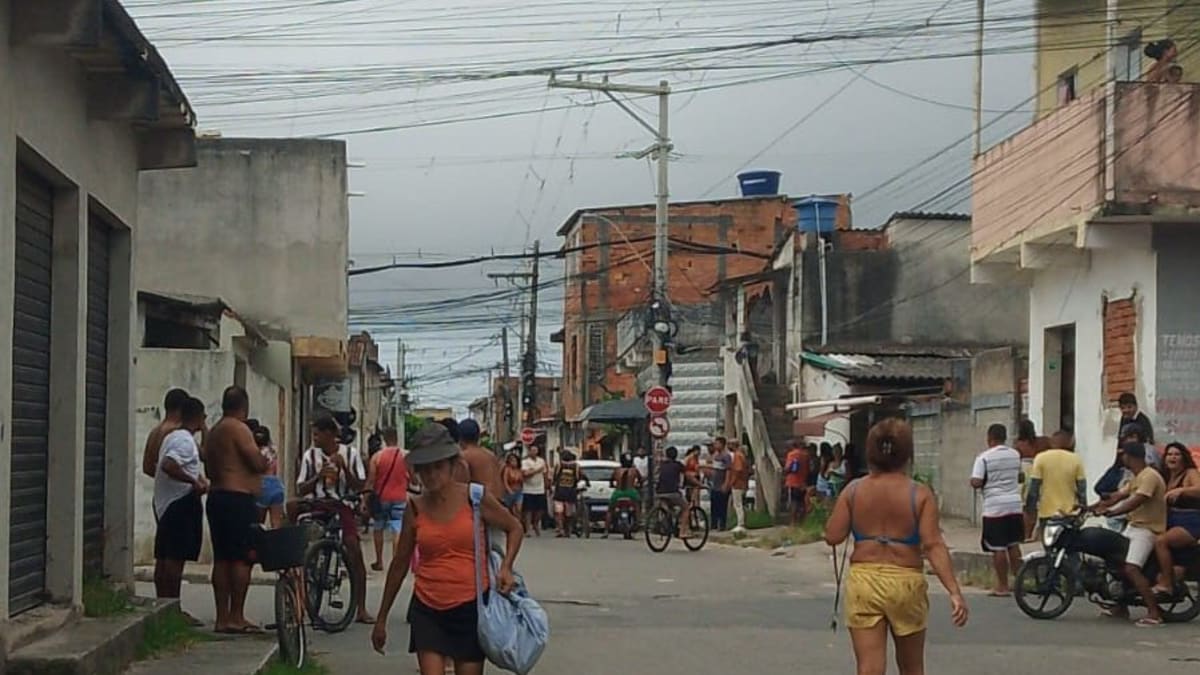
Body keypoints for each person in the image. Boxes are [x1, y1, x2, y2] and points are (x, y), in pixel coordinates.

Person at [371, 424, 524, 675]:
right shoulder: (414, 508)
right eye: (424, 469)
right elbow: (400, 564)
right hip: (427, 608)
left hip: (471, 608)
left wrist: (506, 567)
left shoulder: (475, 498)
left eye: (438, 467)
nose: (431, 475)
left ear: (453, 466)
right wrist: (382, 617)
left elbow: (514, 527)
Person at [824, 418, 968, 675]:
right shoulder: (920, 494)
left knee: (869, 669)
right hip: (906, 582)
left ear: (870, 453)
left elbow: (833, 536)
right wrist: (954, 592)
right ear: (907, 455)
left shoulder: (853, 491)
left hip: (864, 582)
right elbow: (933, 544)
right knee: (912, 667)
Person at [201, 385, 269, 634]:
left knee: (222, 558)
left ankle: (222, 617)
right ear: (244, 406)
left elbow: (208, 469)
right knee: (242, 558)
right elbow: (257, 462)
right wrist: (264, 458)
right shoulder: (239, 429)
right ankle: (236, 615)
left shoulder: (214, 432)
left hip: (217, 496)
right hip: (237, 499)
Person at [295, 415, 375, 624]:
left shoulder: (350, 453)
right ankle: (300, 603)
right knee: (301, 549)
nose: (314, 438)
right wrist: (318, 476)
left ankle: (361, 608)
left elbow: (359, 485)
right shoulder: (310, 456)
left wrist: (344, 468)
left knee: (353, 548)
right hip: (317, 504)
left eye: (317, 435)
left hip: (342, 505)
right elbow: (301, 488)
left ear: (330, 434)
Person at [1094, 442, 1167, 626]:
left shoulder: (1149, 476)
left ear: (1130, 456)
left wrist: (1113, 512)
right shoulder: (1136, 477)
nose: (1121, 458)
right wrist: (1090, 507)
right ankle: (1121, 606)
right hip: (1133, 526)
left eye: (1123, 455)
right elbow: (1117, 497)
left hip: (1147, 529)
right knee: (1116, 562)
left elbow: (1137, 500)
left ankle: (1154, 613)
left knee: (1131, 568)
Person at [153, 396, 208, 626]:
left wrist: (198, 478)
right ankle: (172, 608)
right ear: (199, 417)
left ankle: (164, 607)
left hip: (169, 504)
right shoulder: (184, 441)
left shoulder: (174, 437)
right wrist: (193, 482)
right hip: (180, 504)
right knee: (174, 560)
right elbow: (169, 465)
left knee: (165, 558)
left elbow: (192, 462)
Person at [970, 424, 1024, 596]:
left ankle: (1002, 586)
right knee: (1013, 545)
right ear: (1004, 437)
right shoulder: (1015, 455)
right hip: (1014, 505)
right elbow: (1020, 476)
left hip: (994, 507)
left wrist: (978, 482)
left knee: (998, 547)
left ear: (989, 438)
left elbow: (976, 481)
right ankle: (1020, 584)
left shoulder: (983, 458)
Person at [1152, 442, 1200, 595]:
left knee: (1161, 541)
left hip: (1190, 520)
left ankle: (1166, 584)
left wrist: (1182, 490)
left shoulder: (1190, 473)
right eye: (1169, 454)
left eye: (1176, 454)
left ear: (1183, 457)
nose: (1172, 457)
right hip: (1169, 520)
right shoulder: (1164, 477)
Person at [1025, 430, 1087, 540]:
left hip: (1047, 513)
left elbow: (1034, 487)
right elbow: (1082, 487)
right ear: (1069, 443)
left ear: (1052, 442)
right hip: (1069, 513)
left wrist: (1030, 509)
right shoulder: (1075, 459)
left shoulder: (1041, 458)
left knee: (1048, 544)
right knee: (1070, 543)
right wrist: (1083, 508)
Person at [366, 427, 409, 572]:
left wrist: (365, 499)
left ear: (384, 439)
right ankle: (395, 561)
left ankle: (379, 561)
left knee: (378, 527)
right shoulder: (406, 456)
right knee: (397, 527)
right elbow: (413, 479)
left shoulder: (377, 457)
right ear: (397, 438)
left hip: (381, 498)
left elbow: (371, 480)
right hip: (400, 497)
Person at [142, 388, 191, 478]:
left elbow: (147, 468)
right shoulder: (177, 431)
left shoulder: (154, 432)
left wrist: (161, 478)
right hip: (176, 485)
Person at [455, 419, 503, 498]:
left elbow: (459, 483)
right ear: (478, 436)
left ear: (460, 438)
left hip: (481, 501)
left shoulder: (464, 456)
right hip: (498, 499)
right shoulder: (491, 455)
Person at [655, 446, 696, 537]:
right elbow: (688, 477)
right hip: (673, 492)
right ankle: (682, 532)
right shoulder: (678, 465)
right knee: (686, 508)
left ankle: (667, 524)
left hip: (660, 492)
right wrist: (700, 484)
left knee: (669, 507)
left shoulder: (662, 465)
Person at [604, 453, 643, 538]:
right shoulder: (634, 470)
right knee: (637, 506)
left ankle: (606, 530)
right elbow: (641, 480)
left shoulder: (617, 470)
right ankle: (638, 522)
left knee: (610, 510)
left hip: (618, 493)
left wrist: (613, 485)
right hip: (631, 493)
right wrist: (639, 485)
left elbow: (611, 481)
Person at [551, 450, 589, 537]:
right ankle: (568, 530)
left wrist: (552, 486)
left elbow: (554, 478)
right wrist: (587, 482)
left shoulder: (559, 465)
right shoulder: (576, 466)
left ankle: (560, 529)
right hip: (571, 492)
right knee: (569, 513)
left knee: (559, 512)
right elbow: (582, 476)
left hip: (559, 492)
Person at [254, 426, 284, 529]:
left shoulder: (256, 452)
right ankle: (277, 539)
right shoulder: (273, 450)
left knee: (258, 525)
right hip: (276, 485)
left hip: (261, 485)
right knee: (276, 525)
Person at [520, 444, 550, 536]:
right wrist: (537, 470)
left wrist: (547, 484)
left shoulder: (541, 461)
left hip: (540, 488)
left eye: (535, 450)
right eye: (532, 450)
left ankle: (536, 523)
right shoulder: (525, 462)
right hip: (528, 489)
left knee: (540, 510)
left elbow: (545, 473)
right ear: (529, 451)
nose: (534, 452)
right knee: (528, 510)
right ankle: (528, 529)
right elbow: (525, 474)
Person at [724, 440, 751, 534]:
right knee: (740, 504)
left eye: (729, 444)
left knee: (738, 504)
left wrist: (732, 482)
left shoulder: (737, 455)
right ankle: (742, 522)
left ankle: (741, 524)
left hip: (738, 483)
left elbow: (738, 469)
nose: (728, 446)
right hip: (742, 482)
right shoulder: (741, 455)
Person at [708, 438, 731, 531]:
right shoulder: (715, 456)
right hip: (714, 484)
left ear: (722, 444)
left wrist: (726, 483)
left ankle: (722, 525)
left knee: (722, 506)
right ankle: (713, 524)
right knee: (714, 505)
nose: (715, 445)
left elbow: (728, 470)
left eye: (717, 444)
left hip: (721, 484)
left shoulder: (726, 456)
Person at [785, 440, 810, 526]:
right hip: (803, 481)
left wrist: (785, 471)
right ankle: (802, 521)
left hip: (793, 481)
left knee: (794, 502)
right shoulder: (805, 455)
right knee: (802, 502)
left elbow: (788, 468)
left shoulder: (791, 455)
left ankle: (793, 522)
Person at [500, 452, 525, 517]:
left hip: (519, 491)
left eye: (515, 461)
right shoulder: (507, 469)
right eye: (511, 461)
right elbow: (505, 481)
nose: (513, 462)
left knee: (519, 509)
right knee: (509, 510)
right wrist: (509, 490)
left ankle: (518, 521)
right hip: (510, 492)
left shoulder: (519, 470)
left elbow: (522, 481)